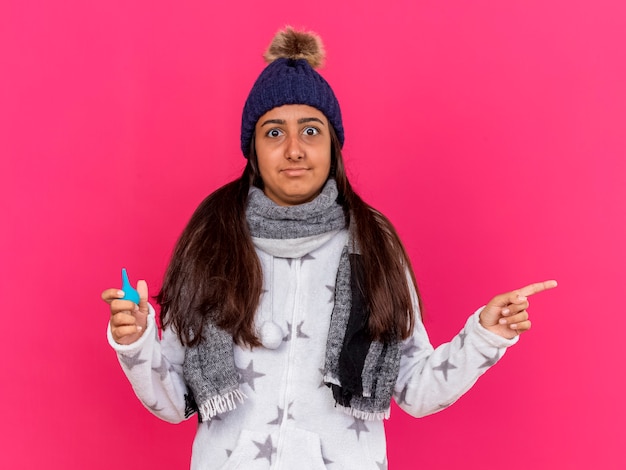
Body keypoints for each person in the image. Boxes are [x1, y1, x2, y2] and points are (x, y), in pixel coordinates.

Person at [102, 27, 557, 470]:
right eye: (274, 132)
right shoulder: (212, 242)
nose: (294, 149)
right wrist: (136, 341)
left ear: (334, 144)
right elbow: (173, 399)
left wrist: (485, 335)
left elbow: (415, 391)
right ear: (253, 149)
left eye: (311, 131)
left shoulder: (374, 244)